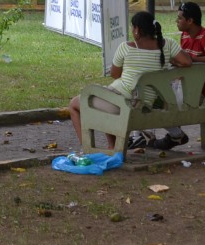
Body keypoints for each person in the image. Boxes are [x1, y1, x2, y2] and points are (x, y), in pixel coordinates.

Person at [69, 11, 192, 150]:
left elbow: (115, 74)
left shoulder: (126, 47)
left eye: (132, 27)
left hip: (124, 105)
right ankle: (112, 146)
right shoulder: (168, 44)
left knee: (74, 104)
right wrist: (171, 63)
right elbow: (187, 61)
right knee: (106, 95)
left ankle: (86, 149)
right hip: (146, 104)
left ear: (137, 30)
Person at [133, 1, 205, 151]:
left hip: (199, 93)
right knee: (151, 94)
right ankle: (160, 135)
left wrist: (193, 59)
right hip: (184, 87)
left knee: (155, 101)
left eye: (180, 18)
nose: (177, 21)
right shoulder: (185, 36)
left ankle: (159, 135)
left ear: (190, 21)